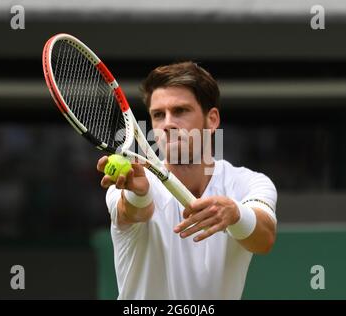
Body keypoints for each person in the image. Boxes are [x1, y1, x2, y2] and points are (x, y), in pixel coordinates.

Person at [96, 61, 277, 300]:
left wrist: (235, 214)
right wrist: (140, 195)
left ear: (212, 120)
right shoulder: (129, 181)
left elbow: (264, 239)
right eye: (158, 115)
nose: (167, 123)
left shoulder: (249, 183)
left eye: (180, 111)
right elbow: (134, 211)